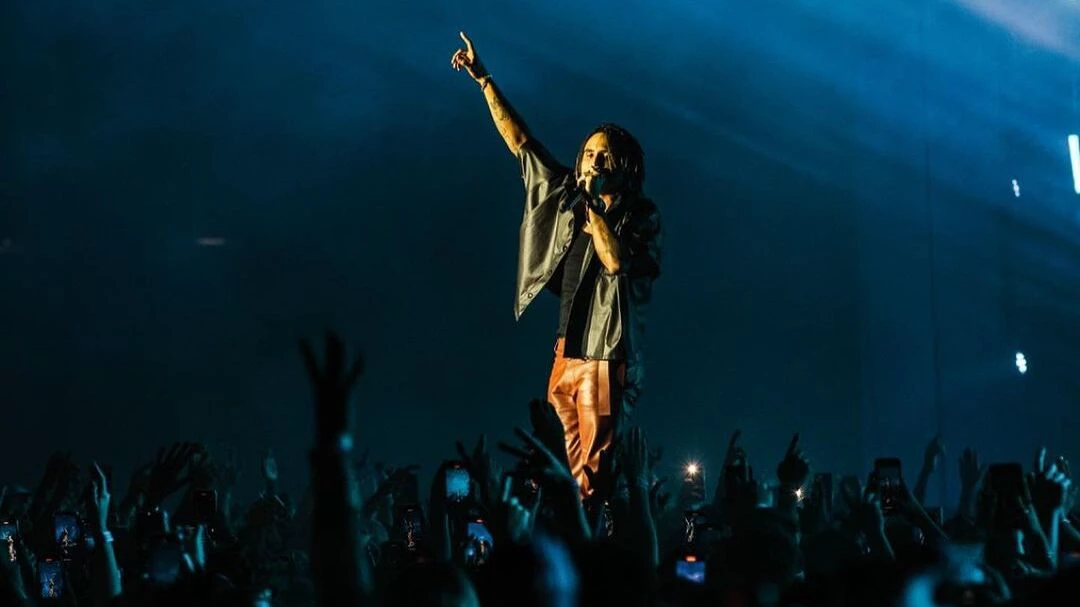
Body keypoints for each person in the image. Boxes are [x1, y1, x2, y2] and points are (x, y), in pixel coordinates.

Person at [450, 32, 663, 495]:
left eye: (604, 156)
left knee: (594, 467)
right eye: (588, 154)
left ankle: (594, 531)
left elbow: (616, 261)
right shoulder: (569, 194)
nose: (593, 162)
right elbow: (521, 143)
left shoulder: (639, 215)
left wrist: (595, 208)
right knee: (559, 464)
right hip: (566, 351)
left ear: (624, 167)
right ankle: (565, 523)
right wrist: (484, 80)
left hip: (605, 354)